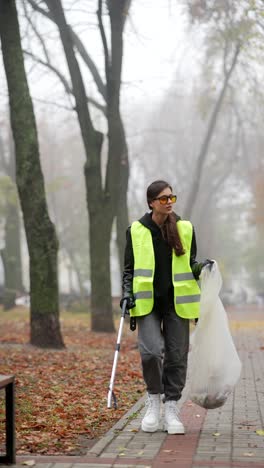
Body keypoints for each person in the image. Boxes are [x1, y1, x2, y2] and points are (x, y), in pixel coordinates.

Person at [120, 180, 213, 434]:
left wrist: (203, 267)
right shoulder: (136, 230)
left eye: (172, 197)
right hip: (147, 303)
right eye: (163, 198)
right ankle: (153, 401)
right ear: (151, 202)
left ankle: (171, 407)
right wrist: (127, 293)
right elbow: (129, 270)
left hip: (177, 304)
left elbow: (190, 264)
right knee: (150, 353)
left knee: (176, 356)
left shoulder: (185, 228)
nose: (169, 201)